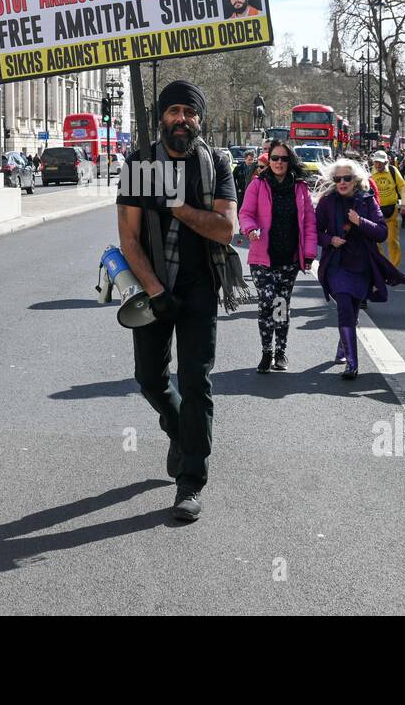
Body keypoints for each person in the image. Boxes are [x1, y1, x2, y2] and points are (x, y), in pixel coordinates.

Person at [116, 80, 237, 523]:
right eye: (173, 112)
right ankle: (177, 428)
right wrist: (154, 290)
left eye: (189, 112)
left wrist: (177, 206)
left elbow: (226, 229)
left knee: (196, 380)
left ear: (198, 119)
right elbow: (128, 238)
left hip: (200, 285)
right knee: (149, 378)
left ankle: (191, 482)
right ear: (161, 117)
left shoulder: (217, 163)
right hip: (154, 286)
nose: (181, 119)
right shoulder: (138, 164)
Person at [315, 157, 405, 378]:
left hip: (362, 264)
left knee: (352, 310)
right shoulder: (327, 202)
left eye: (347, 178)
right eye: (338, 179)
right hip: (337, 264)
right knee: (344, 306)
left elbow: (382, 232)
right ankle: (352, 364)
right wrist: (329, 240)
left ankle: (343, 346)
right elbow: (315, 231)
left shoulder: (367, 201)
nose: (342, 182)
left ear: (355, 180)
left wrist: (360, 222)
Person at [238, 140, 317, 373]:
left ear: (289, 161)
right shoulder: (258, 185)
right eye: (274, 158)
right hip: (263, 258)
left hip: (289, 259)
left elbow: (309, 223)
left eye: (283, 159)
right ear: (268, 160)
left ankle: (281, 352)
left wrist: (309, 253)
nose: (279, 163)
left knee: (281, 305)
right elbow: (245, 213)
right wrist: (250, 229)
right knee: (266, 303)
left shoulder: (300, 187)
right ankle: (266, 352)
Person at [369, 150, 405, 267]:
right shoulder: (370, 173)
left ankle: (394, 267)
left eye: (380, 162)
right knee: (376, 241)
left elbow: (402, 188)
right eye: (376, 162)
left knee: (392, 240)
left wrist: (404, 204)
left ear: (386, 162)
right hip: (376, 211)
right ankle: (382, 265)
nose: (378, 165)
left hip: (392, 210)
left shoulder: (392, 171)